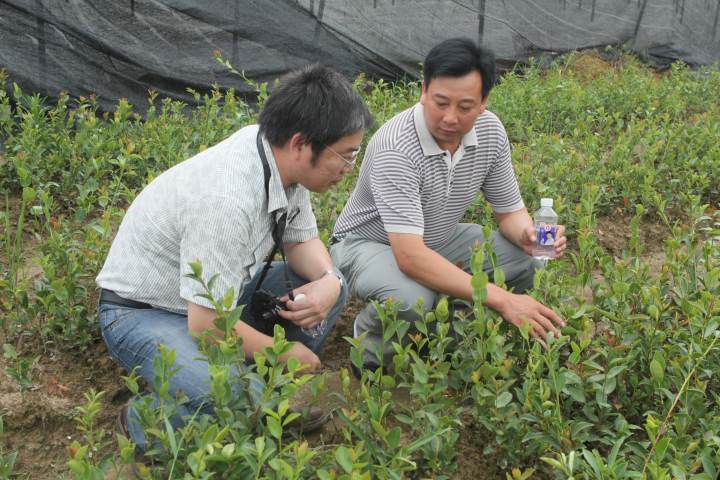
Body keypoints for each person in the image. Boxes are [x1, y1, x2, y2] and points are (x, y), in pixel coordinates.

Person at [96, 64, 373, 450]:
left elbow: (300, 242)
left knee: (330, 289)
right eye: (344, 157)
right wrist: (281, 353)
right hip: (145, 313)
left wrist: (329, 280)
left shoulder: (277, 158)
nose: (347, 169)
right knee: (242, 396)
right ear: (300, 144)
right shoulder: (226, 200)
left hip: (218, 294)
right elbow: (205, 324)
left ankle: (234, 382)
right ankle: (143, 418)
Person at [329, 38, 567, 372]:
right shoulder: (396, 147)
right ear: (423, 90)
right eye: (440, 102)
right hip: (370, 245)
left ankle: (446, 337)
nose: (450, 118)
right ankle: (368, 348)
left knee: (526, 261)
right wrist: (503, 299)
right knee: (413, 299)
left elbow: (510, 212)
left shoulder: (490, 132)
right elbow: (409, 256)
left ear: (484, 102)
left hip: (436, 238)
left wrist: (528, 234)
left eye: (465, 106)